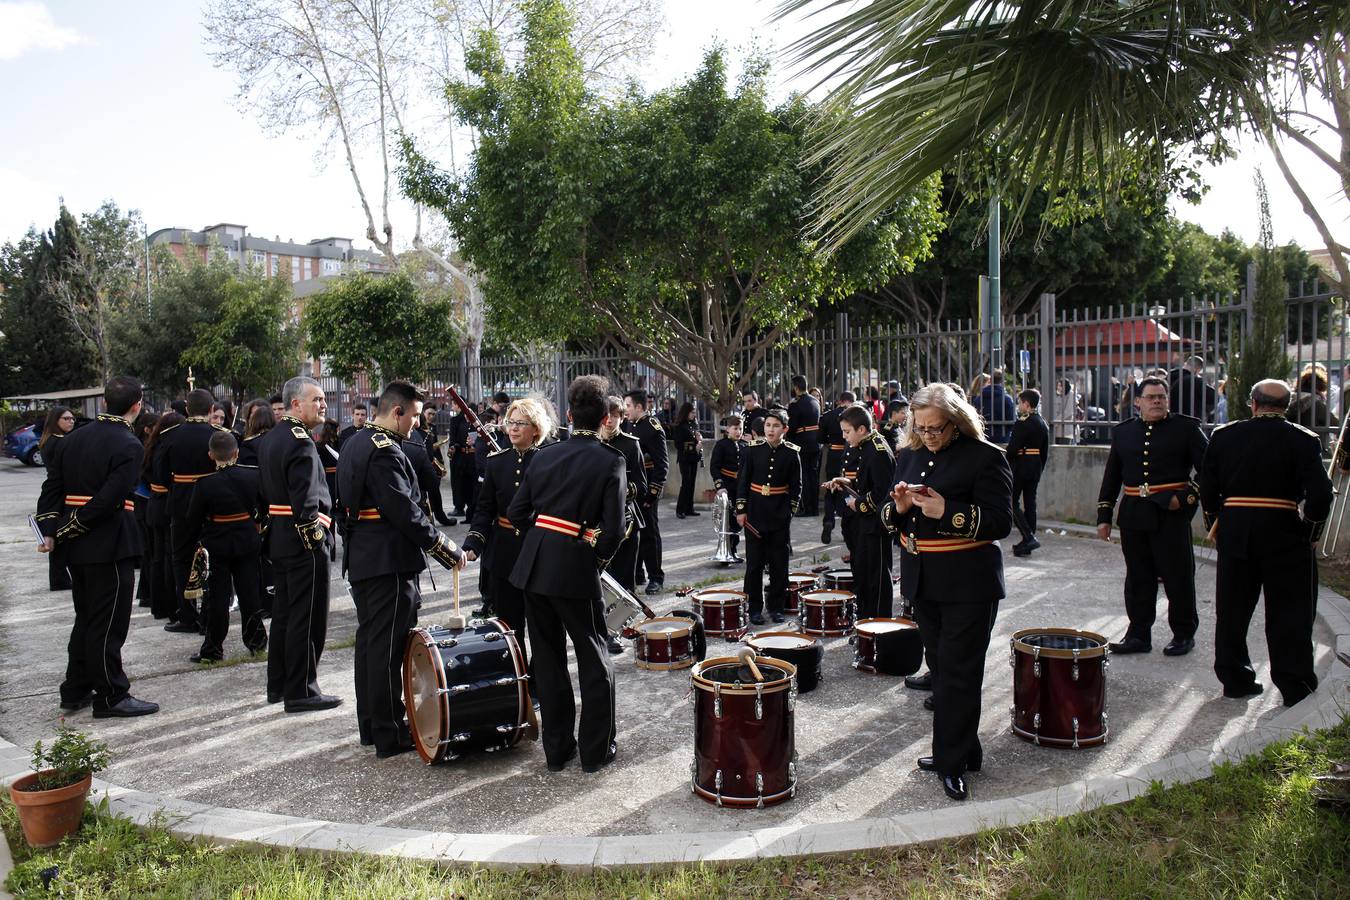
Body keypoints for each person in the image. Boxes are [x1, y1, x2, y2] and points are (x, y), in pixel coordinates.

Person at [883, 382, 1012, 802]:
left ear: (956, 422)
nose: (928, 435)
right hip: (924, 579)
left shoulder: (986, 458)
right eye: (920, 427)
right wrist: (900, 509)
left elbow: (1000, 522)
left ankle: (950, 762)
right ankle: (965, 749)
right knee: (942, 670)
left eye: (936, 428)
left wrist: (949, 512)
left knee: (958, 672)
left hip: (968, 582)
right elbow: (893, 520)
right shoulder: (909, 456)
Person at [338, 381, 464, 758]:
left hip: (366, 557)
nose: (415, 425)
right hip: (387, 562)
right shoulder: (383, 451)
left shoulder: (354, 442)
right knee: (387, 651)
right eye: (412, 416)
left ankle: (373, 727)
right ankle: (389, 732)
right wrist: (446, 548)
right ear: (397, 412)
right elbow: (406, 513)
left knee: (371, 647)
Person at [508, 374, 626, 773]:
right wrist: (590, 556)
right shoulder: (612, 460)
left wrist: (546, 536)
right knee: (595, 659)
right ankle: (596, 752)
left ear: (570, 415)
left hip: (533, 567)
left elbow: (517, 514)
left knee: (548, 661)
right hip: (574, 569)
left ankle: (557, 752)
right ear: (606, 417)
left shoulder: (543, 455)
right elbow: (614, 530)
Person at [1200, 379, 1332, 707]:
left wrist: (1217, 527)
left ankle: (1234, 679)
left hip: (1235, 533)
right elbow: (1320, 495)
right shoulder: (1304, 440)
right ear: (1286, 407)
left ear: (1253, 404)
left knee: (1232, 611)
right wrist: (1310, 533)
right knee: (1289, 613)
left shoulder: (1223, 436)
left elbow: (1206, 489)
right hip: (1284, 535)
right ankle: (1295, 685)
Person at [35, 376, 159, 718]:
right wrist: (71, 526)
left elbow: (52, 489)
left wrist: (51, 529)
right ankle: (111, 694)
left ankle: (75, 688)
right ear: (137, 407)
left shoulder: (72, 439)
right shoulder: (129, 444)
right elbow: (109, 498)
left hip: (77, 546)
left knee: (87, 618)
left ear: (104, 403)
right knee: (107, 623)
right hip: (109, 542)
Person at [1096, 376, 1208, 656]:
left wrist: (1184, 498)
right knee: (1138, 576)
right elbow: (1112, 475)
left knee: (1177, 575)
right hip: (1134, 512)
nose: (1157, 401)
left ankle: (1183, 633)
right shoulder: (1123, 432)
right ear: (1138, 402)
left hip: (1170, 513)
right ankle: (1138, 634)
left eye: (1161, 397)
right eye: (1151, 397)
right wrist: (1104, 514)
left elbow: (1210, 471)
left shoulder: (1186, 429)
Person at [257, 376, 341, 712]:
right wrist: (316, 543)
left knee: (285, 616)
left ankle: (278, 684)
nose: (322, 405)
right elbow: (306, 504)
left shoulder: (272, 438)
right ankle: (301, 690)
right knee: (307, 618)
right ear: (295, 404)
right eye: (316, 400)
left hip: (279, 535)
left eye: (322, 400)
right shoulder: (301, 442)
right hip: (302, 539)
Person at [463, 397, 555, 664]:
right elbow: (484, 509)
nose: (513, 428)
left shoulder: (548, 461)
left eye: (520, 423)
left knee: (542, 626)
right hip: (504, 554)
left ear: (536, 429)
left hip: (538, 551)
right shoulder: (497, 462)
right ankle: (518, 682)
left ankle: (541, 683)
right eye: (510, 422)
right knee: (509, 626)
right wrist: (473, 543)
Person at [182, 432, 269, 663]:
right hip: (248, 540)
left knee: (218, 598)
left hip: (217, 543)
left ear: (211, 455)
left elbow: (192, 520)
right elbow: (264, 507)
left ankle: (213, 649)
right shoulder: (254, 476)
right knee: (249, 593)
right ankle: (256, 642)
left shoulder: (205, 484)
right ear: (237, 452)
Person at [156, 388, 229, 635]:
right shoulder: (219, 435)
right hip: (213, 503)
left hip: (181, 504)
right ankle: (209, 616)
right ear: (211, 411)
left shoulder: (170, 436)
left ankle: (188, 615)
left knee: (181, 559)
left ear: (187, 409)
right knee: (213, 558)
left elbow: (160, 476)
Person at [736, 408, 802, 626]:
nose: (771, 429)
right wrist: (741, 509)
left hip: (778, 513)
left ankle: (776, 607)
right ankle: (753, 608)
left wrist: (789, 512)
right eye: (768, 425)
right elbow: (743, 482)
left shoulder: (792, 453)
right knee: (754, 564)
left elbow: (796, 487)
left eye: (775, 426)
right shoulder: (751, 450)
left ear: (785, 429)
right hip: (755, 512)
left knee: (778, 564)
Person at [834, 405, 894, 619]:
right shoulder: (864, 446)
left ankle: (878, 624)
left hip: (874, 524)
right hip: (862, 523)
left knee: (875, 578)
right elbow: (864, 479)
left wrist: (858, 504)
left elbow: (884, 492)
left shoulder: (877, 450)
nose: (844, 436)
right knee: (861, 574)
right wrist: (847, 482)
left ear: (861, 429)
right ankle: (865, 621)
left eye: (846, 431)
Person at [600, 396, 648, 653]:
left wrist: (616, 492)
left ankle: (616, 631)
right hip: (596, 523)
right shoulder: (592, 443)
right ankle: (598, 629)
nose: (610, 421)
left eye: (616, 416)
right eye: (606, 415)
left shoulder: (631, 445)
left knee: (623, 580)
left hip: (626, 521)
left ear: (622, 417)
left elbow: (641, 485)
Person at [623, 389, 668, 594]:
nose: (626, 411)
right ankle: (638, 573)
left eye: (628, 406)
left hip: (648, 487)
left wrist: (653, 492)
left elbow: (662, 464)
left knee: (650, 533)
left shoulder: (652, 428)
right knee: (634, 530)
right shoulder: (631, 425)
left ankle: (656, 577)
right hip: (634, 487)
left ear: (639, 407)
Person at [142, 412, 184, 619]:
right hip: (165, 502)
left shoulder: (153, 445)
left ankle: (158, 604)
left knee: (157, 557)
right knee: (168, 557)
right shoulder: (167, 447)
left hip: (154, 502)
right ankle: (171, 605)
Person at [1006, 389, 1050, 557]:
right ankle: (1029, 540)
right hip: (1035, 466)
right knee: (1030, 502)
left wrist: (1010, 461)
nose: (1019, 406)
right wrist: (1039, 467)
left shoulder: (1022, 422)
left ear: (1026, 403)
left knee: (1011, 501)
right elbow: (1045, 451)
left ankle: (1028, 537)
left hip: (1022, 466)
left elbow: (1011, 449)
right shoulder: (1042, 422)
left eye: (1019, 402)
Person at [37, 405, 76, 590]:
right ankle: (60, 579)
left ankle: (59, 578)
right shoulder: (60, 441)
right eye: (66, 419)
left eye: (72, 419)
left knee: (57, 537)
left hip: (55, 489)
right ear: (55, 421)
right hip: (60, 491)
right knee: (61, 535)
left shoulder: (49, 440)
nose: (71, 421)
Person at [708, 413, 747, 558]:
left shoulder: (744, 445)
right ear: (728, 429)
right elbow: (714, 467)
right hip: (727, 487)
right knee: (728, 519)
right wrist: (720, 486)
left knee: (739, 519)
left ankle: (733, 547)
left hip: (740, 487)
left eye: (741, 429)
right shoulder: (721, 445)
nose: (738, 432)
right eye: (735, 428)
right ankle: (729, 549)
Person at [818, 391, 852, 543]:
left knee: (831, 489)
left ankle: (828, 521)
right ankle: (846, 529)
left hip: (833, 453)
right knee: (847, 490)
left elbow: (819, 438)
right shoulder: (853, 416)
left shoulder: (828, 416)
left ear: (839, 401)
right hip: (850, 454)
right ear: (850, 401)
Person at [788, 374, 822, 517]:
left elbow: (792, 427)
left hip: (802, 443)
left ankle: (807, 508)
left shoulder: (796, 405)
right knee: (813, 476)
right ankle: (814, 507)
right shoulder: (815, 401)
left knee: (804, 477)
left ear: (796, 388)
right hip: (816, 443)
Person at [1287, 362, 1339, 453]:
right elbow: (1335, 423)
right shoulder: (1315, 403)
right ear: (1320, 386)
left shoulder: (1288, 400)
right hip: (1314, 449)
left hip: (1290, 447)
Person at [672, 401, 703, 518]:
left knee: (692, 483)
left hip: (693, 458)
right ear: (686, 412)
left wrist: (698, 439)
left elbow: (694, 439)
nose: (693, 415)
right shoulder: (680, 426)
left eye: (694, 412)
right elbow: (678, 444)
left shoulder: (693, 424)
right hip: (684, 458)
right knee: (686, 483)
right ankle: (680, 509)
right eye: (691, 412)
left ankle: (689, 508)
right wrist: (694, 447)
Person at [1168, 356, 1217, 423]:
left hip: (1169, 419)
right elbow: (1213, 397)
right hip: (1190, 420)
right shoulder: (1195, 381)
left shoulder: (1168, 377)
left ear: (1185, 364)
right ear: (1197, 369)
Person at [974, 369, 1017, 443]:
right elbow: (1012, 421)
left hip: (983, 438)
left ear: (990, 381)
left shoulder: (978, 398)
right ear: (1003, 382)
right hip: (1002, 438)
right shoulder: (1007, 399)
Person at [315, 419, 341, 511]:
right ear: (337, 430)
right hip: (336, 478)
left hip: (326, 478)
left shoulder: (318, 445)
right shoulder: (340, 443)